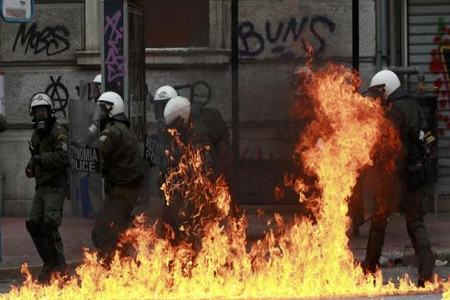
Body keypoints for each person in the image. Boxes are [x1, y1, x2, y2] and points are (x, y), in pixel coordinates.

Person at [361, 70, 435, 287]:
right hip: (417, 174)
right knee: (415, 222)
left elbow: (387, 145)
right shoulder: (413, 104)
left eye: (378, 93)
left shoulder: (394, 111)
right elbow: (428, 138)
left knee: (378, 221)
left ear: (386, 89)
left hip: (395, 177)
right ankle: (427, 271)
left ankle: (370, 269)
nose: (377, 99)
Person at [161, 96, 236, 248]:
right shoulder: (207, 113)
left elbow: (207, 172)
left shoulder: (199, 137)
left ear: (182, 120)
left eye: (174, 129)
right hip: (226, 173)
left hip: (215, 184)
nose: (174, 133)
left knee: (209, 232)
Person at [91, 91, 144, 264]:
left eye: (103, 110)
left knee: (101, 233)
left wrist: (84, 145)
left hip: (121, 192)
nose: (101, 114)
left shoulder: (113, 131)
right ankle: (123, 269)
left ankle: (115, 269)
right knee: (117, 234)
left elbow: (96, 151)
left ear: (112, 110)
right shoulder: (124, 129)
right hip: (126, 191)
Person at [25, 92, 69, 283]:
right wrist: (30, 166)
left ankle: (60, 267)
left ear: (50, 112)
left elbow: (63, 157)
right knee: (33, 223)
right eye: (38, 112)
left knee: (50, 223)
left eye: (44, 111)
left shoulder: (58, 131)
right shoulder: (36, 135)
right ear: (33, 114)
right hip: (41, 188)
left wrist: (40, 160)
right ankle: (49, 262)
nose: (41, 115)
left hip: (55, 186)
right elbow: (35, 155)